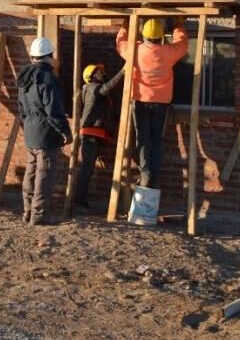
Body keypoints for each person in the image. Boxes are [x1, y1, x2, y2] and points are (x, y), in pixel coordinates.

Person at [115, 18, 188, 190]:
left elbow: (120, 44)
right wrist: (177, 24)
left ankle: (145, 170)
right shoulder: (168, 52)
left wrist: (125, 26)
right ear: (161, 36)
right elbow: (183, 44)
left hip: (140, 102)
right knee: (157, 140)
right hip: (161, 103)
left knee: (143, 139)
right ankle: (154, 175)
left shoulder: (135, 50)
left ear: (144, 35)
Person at [16, 36, 71, 226]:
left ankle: (27, 210)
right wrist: (65, 130)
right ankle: (39, 215)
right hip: (46, 134)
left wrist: (29, 124)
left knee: (31, 171)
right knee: (44, 174)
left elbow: (21, 109)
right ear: (49, 56)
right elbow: (53, 109)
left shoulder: (24, 77)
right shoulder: (48, 78)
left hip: (30, 132)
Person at [73, 63, 125, 211]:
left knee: (88, 169)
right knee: (86, 169)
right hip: (90, 133)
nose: (103, 73)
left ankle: (81, 200)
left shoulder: (97, 92)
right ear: (91, 76)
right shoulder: (92, 88)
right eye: (99, 71)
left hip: (94, 134)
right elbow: (106, 88)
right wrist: (122, 72)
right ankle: (78, 201)